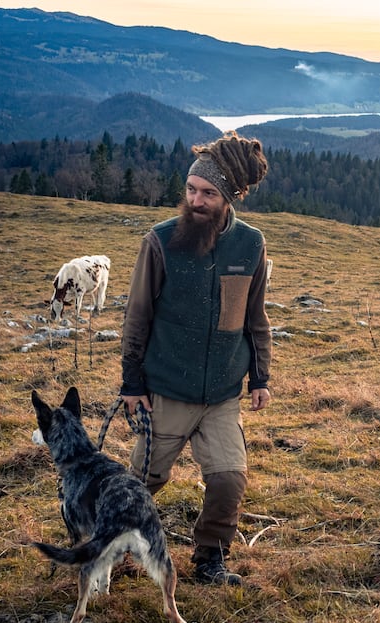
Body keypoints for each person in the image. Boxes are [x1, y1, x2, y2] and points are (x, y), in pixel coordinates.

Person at [120, 131, 272, 585]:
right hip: (166, 389)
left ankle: (209, 559)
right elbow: (137, 316)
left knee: (228, 481)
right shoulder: (161, 241)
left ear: (228, 198)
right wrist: (132, 383)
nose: (196, 200)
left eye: (207, 193)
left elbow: (255, 316)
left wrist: (260, 377)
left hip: (223, 392)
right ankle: (117, 541)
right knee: (143, 479)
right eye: (191, 189)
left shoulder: (251, 245)